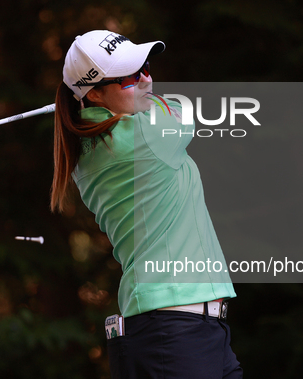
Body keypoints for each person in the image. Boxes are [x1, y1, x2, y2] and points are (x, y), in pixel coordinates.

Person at [51, 30, 243, 379]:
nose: (146, 79)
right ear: (93, 92)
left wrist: (124, 93)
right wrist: (144, 97)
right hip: (173, 333)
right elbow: (183, 110)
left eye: (145, 67)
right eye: (128, 76)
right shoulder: (145, 137)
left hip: (184, 332)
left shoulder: (91, 148)